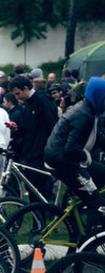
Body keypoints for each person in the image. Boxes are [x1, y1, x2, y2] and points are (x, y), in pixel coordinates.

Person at [43, 76, 105, 233]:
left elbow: (98, 138)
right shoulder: (84, 115)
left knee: (102, 174)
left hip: (64, 159)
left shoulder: (90, 109)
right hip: (62, 162)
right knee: (97, 203)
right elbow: (71, 149)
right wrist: (86, 157)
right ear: (98, 96)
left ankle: (82, 196)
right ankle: (91, 246)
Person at [8, 74, 59, 198]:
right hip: (32, 151)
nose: (17, 98)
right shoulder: (28, 104)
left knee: (40, 188)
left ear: (26, 88)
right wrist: (17, 129)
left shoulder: (42, 100)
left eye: (17, 93)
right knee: (33, 189)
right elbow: (28, 128)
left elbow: (53, 125)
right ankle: (38, 214)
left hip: (41, 152)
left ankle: (43, 212)